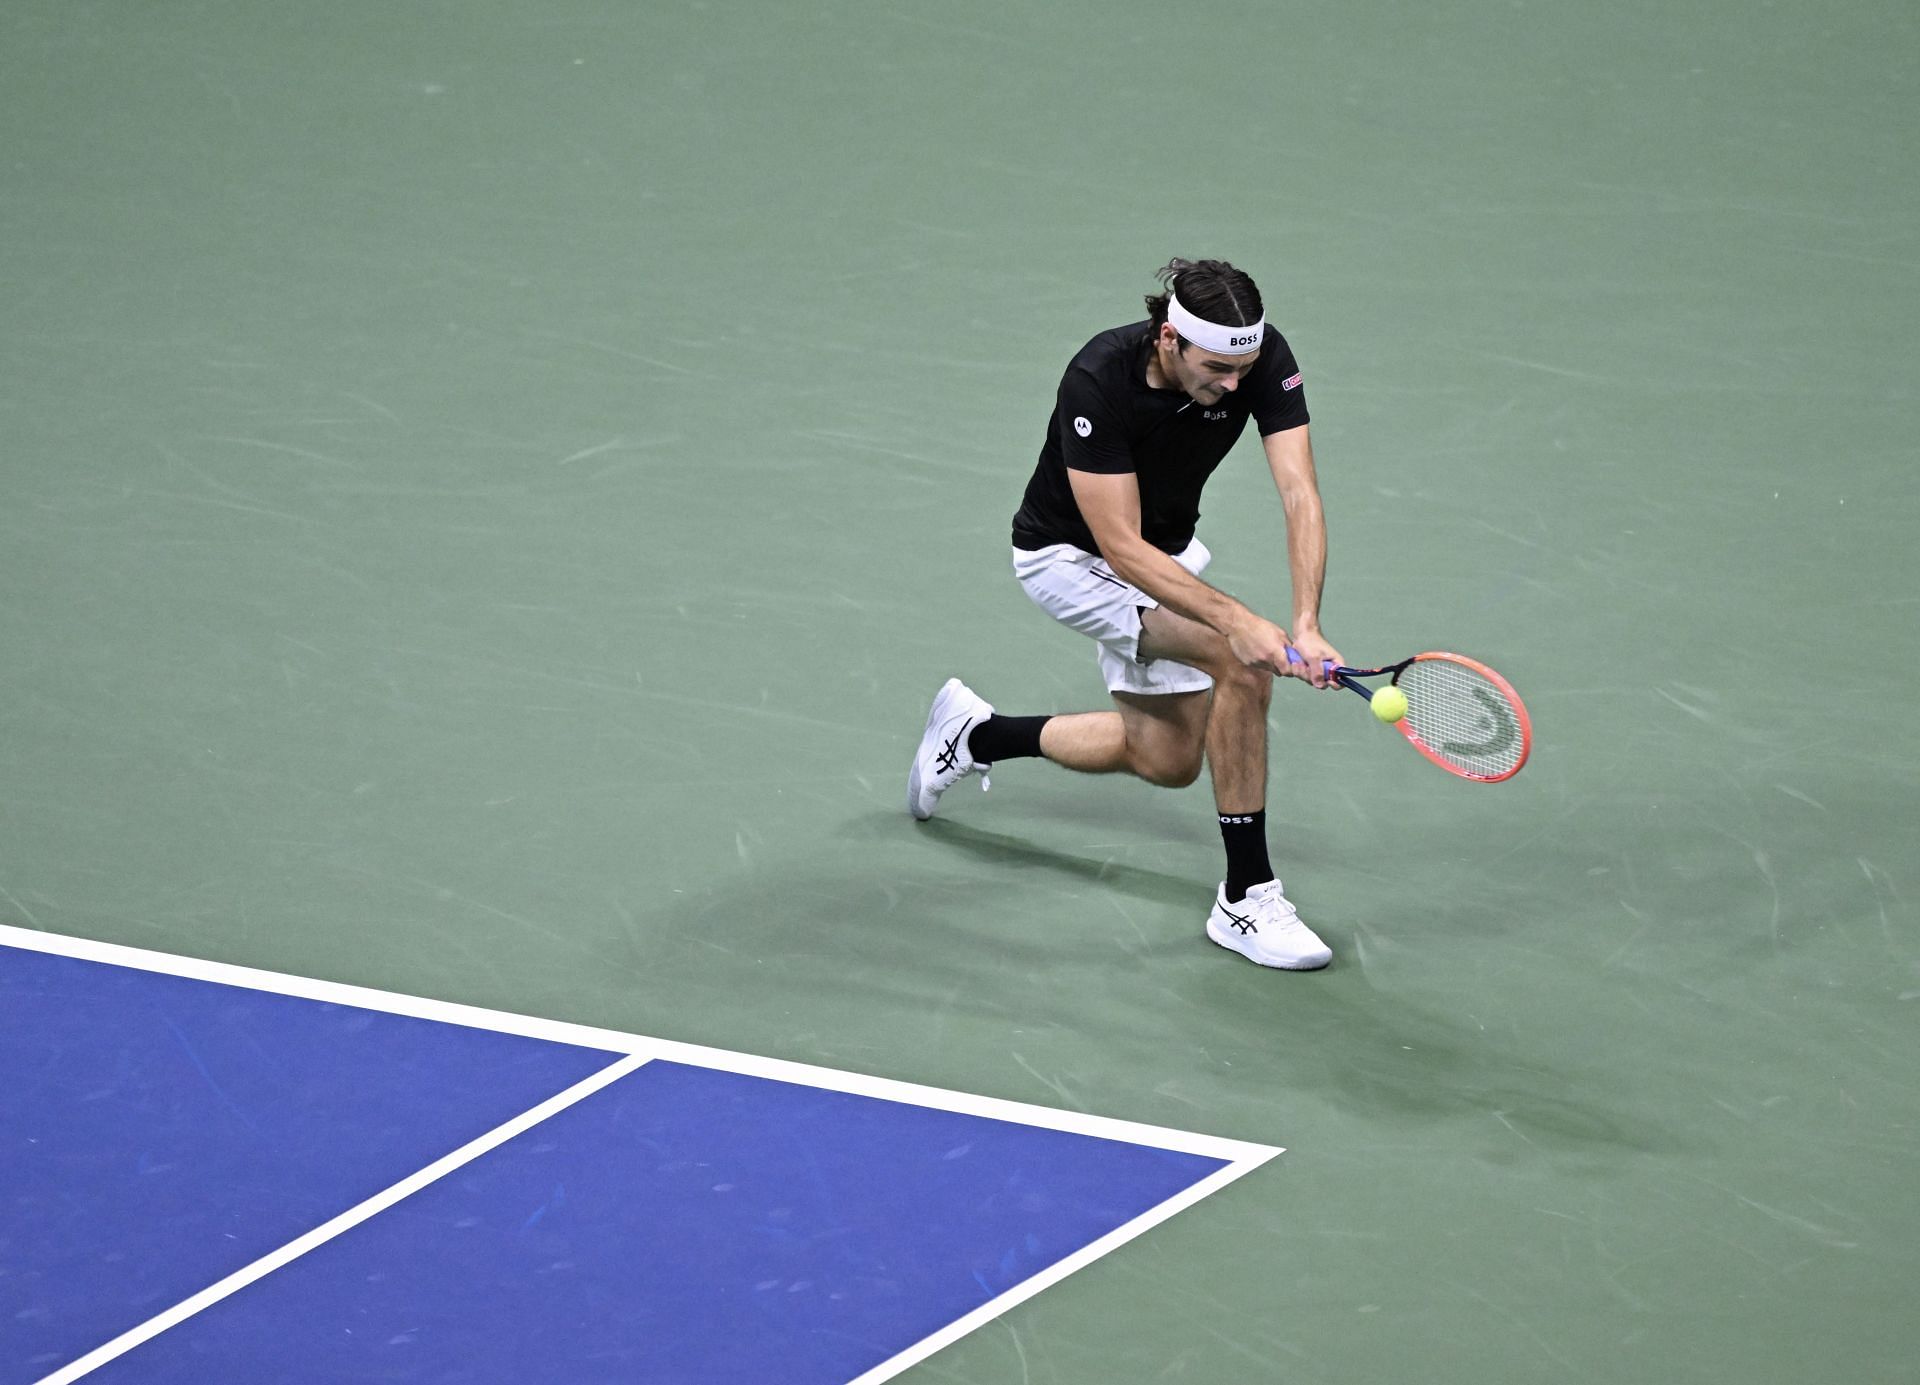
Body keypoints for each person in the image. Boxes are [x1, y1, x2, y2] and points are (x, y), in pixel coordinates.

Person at [908, 257, 1343, 970]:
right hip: (1072, 561)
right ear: (1169, 339)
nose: (1233, 387)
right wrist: (1238, 624)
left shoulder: (1254, 357)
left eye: (1245, 369)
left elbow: (1300, 491)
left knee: (1167, 758)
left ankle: (976, 734)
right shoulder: (1097, 381)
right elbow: (1120, 547)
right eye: (1216, 370)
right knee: (1239, 664)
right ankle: (1247, 896)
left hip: (1164, 557)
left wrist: (1305, 622)